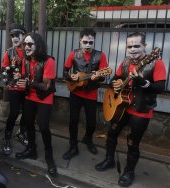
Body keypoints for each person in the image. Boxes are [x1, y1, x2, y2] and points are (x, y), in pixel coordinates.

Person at [95, 32, 166, 187]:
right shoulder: (126, 62)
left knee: (132, 143)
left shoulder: (155, 63)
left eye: (136, 46)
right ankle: (109, 160)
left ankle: (129, 172)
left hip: (141, 111)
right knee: (112, 133)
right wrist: (115, 84)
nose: (133, 49)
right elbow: (116, 79)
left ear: (145, 46)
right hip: (122, 107)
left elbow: (160, 87)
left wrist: (143, 82)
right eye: (130, 46)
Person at [14, 32, 57, 177]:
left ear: (38, 45)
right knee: (28, 123)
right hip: (30, 97)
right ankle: (31, 150)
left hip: (44, 97)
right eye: (25, 44)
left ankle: (49, 157)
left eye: (30, 44)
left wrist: (28, 82)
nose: (26, 46)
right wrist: (20, 77)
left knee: (44, 127)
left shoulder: (49, 61)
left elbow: (45, 86)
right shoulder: (26, 60)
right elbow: (27, 78)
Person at [62, 28, 109, 160]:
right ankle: (73, 146)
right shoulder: (74, 54)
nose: (88, 45)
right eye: (85, 42)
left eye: (91, 42)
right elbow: (65, 72)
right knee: (73, 121)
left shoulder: (100, 55)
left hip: (91, 94)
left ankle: (88, 139)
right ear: (80, 41)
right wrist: (72, 78)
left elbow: (104, 76)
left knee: (91, 123)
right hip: (75, 93)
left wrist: (97, 77)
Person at [1, 23, 28, 155]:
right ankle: (7, 137)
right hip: (14, 87)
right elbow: (4, 71)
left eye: (17, 35)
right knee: (13, 113)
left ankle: (21, 133)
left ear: (24, 35)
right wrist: (12, 66)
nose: (15, 38)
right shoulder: (8, 52)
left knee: (27, 113)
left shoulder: (30, 51)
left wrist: (22, 64)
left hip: (28, 87)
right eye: (12, 35)